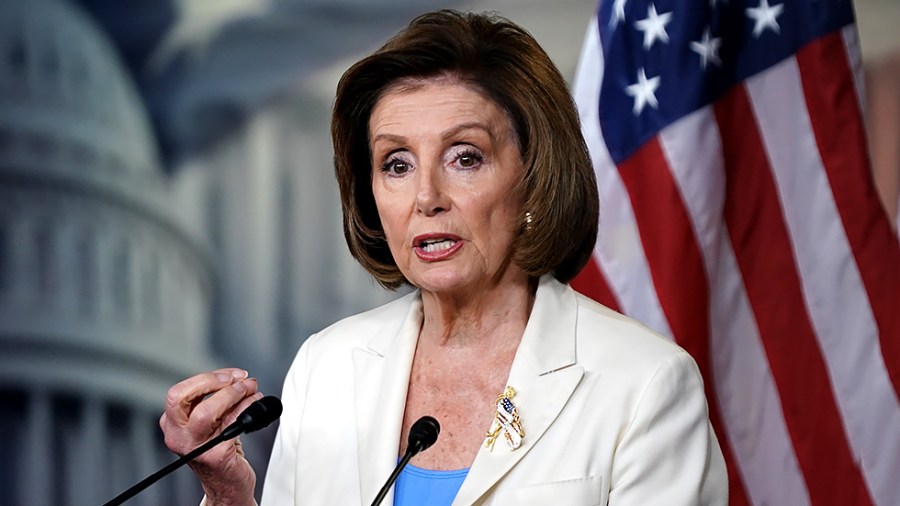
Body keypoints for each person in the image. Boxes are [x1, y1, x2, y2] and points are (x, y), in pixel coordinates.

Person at [160, 9, 728, 505]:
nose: (427, 198)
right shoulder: (326, 367)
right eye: (397, 164)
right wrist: (230, 495)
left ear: (533, 177)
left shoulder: (644, 383)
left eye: (465, 157)